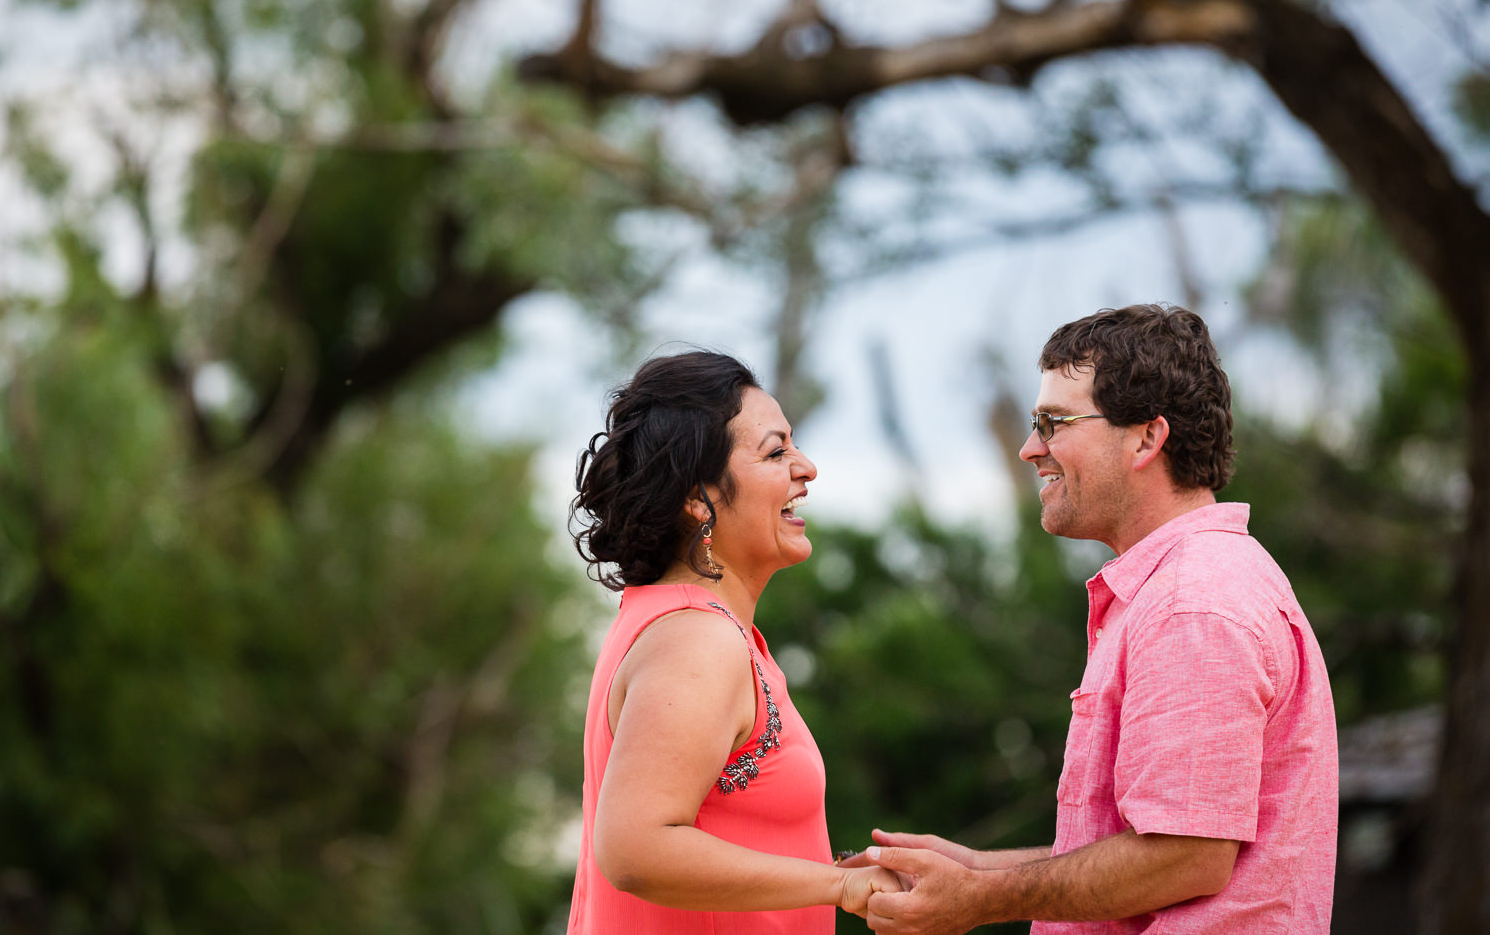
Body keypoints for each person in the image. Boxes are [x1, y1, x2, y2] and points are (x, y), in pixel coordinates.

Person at [860, 305, 1338, 934]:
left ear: (1147, 436)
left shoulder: (1190, 605)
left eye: (1055, 423)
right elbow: (1151, 845)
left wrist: (980, 900)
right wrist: (979, 870)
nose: (1032, 449)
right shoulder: (1187, 587)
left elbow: (1182, 858)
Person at [566, 350, 900, 934]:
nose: (808, 468)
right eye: (776, 452)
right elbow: (634, 847)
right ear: (699, 497)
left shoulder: (680, 625)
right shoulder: (696, 639)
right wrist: (839, 886)